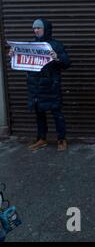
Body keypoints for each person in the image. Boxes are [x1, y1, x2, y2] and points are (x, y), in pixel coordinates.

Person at [9, 18, 70, 151]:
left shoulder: (56, 45)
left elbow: (66, 63)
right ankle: (41, 139)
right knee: (39, 114)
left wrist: (57, 58)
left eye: (39, 28)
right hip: (35, 86)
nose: (36, 30)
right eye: (34, 28)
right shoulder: (30, 45)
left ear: (46, 29)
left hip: (51, 85)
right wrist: (14, 56)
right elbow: (22, 63)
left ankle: (61, 139)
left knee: (57, 113)